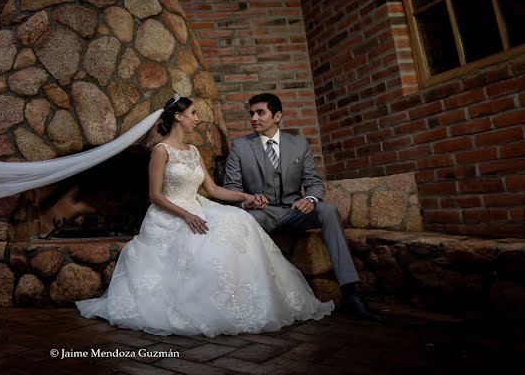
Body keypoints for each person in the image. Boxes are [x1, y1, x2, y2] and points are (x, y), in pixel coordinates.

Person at [76, 95, 333, 337]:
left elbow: (213, 189)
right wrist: (186, 215)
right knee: (202, 244)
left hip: (198, 206)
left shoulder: (193, 150)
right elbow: (155, 196)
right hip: (170, 213)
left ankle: (246, 301)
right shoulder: (160, 150)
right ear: (178, 117)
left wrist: (246, 197)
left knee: (240, 221)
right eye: (193, 113)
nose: (197, 118)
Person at [224, 92, 382, 321]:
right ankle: (252, 297)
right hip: (261, 213)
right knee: (249, 222)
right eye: (252, 114)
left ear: (277, 116)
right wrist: (247, 199)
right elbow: (231, 187)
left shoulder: (298, 144)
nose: (254, 118)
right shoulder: (240, 146)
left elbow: (314, 183)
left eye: (260, 113)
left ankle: (351, 292)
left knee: (327, 210)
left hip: (293, 212)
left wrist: (310, 200)